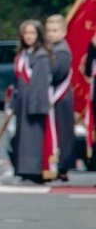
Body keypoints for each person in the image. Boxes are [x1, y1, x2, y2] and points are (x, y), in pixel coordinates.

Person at [11, 20, 53, 181]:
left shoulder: (41, 55)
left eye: (32, 33)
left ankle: (34, 170)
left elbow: (40, 82)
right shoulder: (23, 54)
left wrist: (35, 104)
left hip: (33, 103)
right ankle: (23, 169)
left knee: (33, 138)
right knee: (23, 138)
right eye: (26, 33)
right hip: (23, 101)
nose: (28, 36)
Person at [45, 15, 76, 176]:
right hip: (53, 96)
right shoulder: (49, 48)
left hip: (59, 96)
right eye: (49, 30)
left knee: (61, 131)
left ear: (64, 32)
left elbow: (56, 73)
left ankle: (62, 166)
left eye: (55, 30)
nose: (51, 34)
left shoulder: (62, 50)